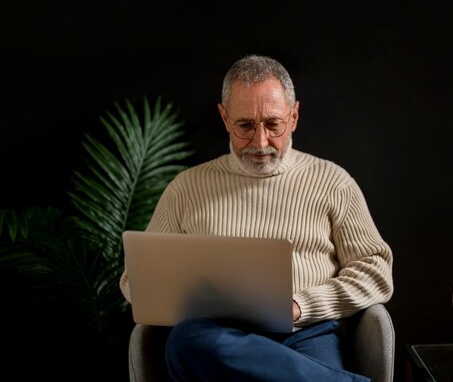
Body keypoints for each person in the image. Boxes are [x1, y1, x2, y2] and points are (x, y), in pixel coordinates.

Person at [119, 54, 394, 382]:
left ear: (294, 116)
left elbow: (375, 272)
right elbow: (135, 281)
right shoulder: (186, 188)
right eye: (245, 125)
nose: (260, 142)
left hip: (305, 335)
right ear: (224, 118)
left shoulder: (333, 182)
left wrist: (299, 306)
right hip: (215, 339)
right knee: (186, 340)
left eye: (273, 124)